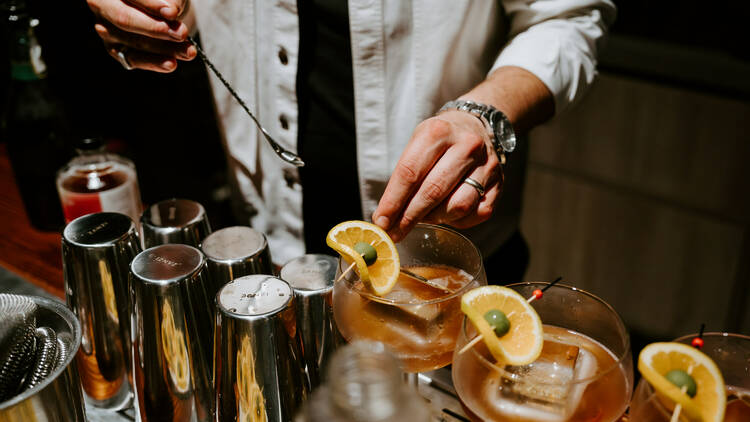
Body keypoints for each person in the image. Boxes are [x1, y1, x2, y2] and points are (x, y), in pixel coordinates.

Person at [85, 0, 615, 280]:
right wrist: (135, 18)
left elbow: (567, 18)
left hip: (443, 261)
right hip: (268, 250)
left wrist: (487, 112)